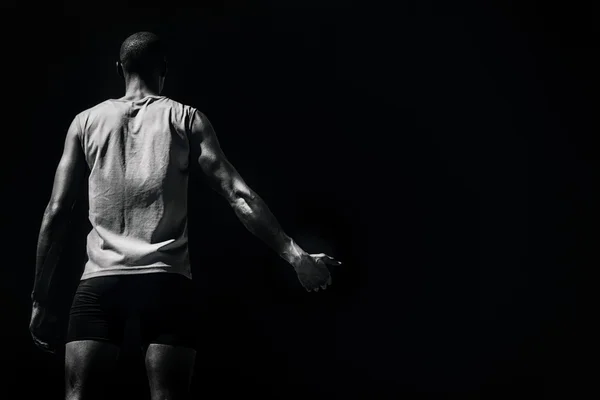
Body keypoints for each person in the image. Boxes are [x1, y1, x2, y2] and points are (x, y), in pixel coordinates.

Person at [29, 31, 341, 400]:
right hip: (166, 282)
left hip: (100, 282)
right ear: (163, 69)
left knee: (78, 395)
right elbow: (237, 194)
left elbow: (57, 211)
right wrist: (296, 256)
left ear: (120, 68)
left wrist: (40, 299)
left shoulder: (85, 123)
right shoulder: (185, 118)